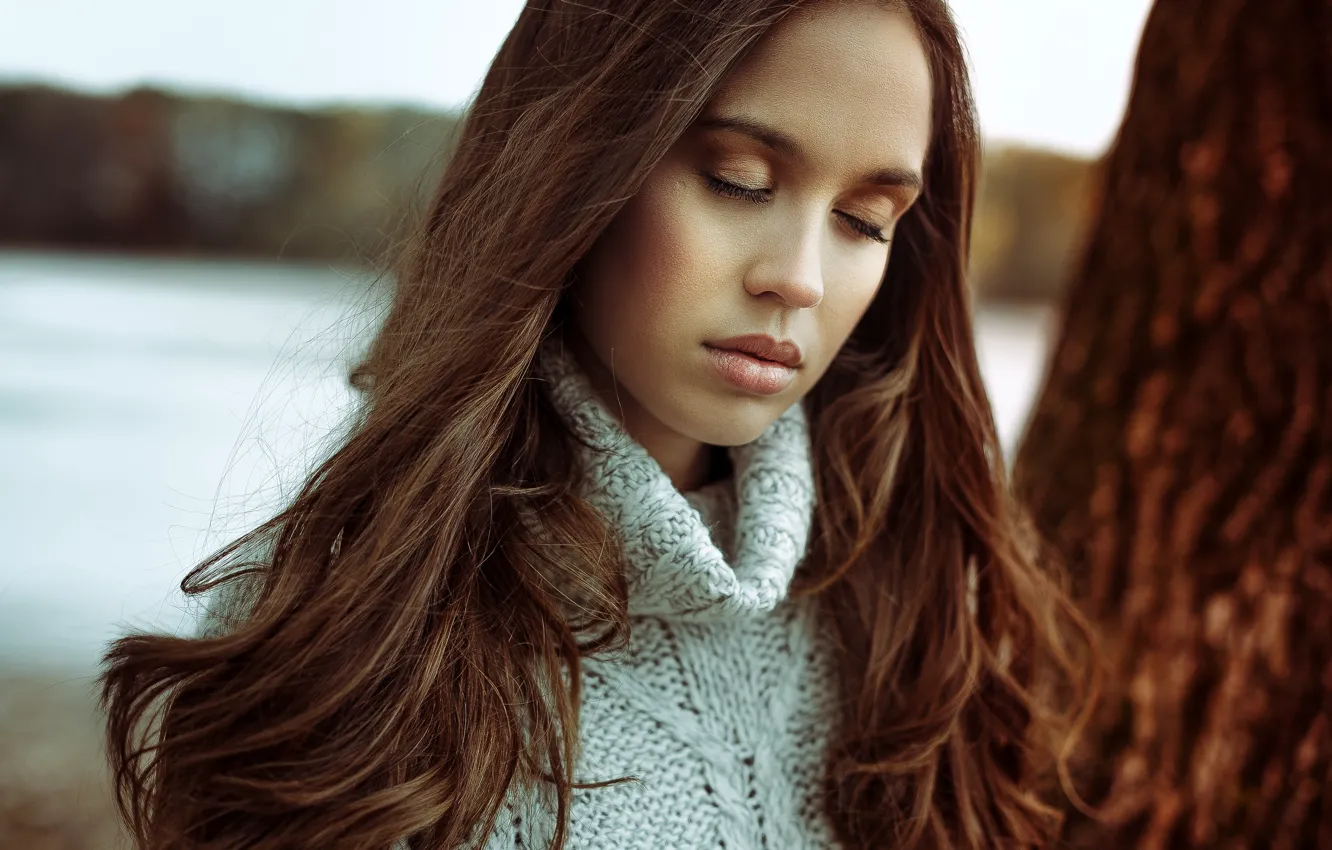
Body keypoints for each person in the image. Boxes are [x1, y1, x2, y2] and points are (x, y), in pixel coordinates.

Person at [100, 1, 1095, 847]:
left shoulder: (915, 613)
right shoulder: (344, 636)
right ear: (575, 164)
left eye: (864, 219)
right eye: (739, 181)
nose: (800, 275)